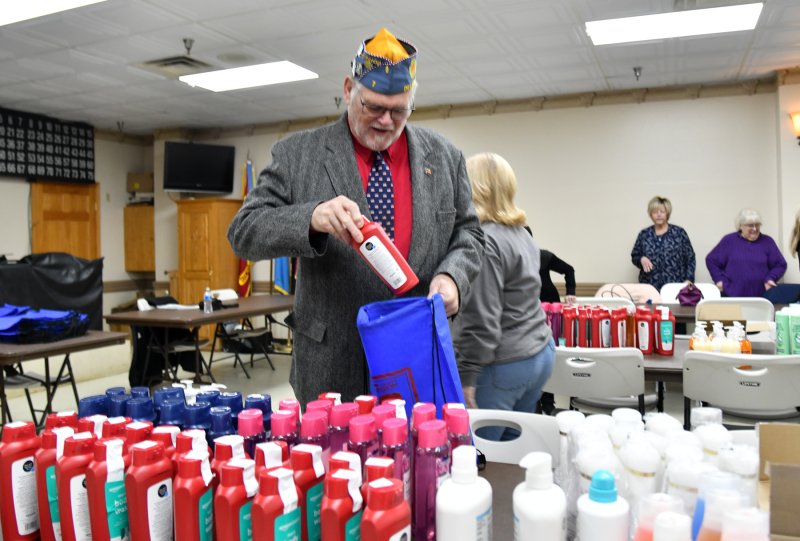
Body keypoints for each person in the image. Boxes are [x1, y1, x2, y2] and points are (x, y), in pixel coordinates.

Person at [226, 28, 484, 404]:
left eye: (399, 111)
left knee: (415, 458)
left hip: (414, 358)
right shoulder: (298, 154)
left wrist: (452, 278)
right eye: (373, 107)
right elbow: (243, 231)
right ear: (349, 90)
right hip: (330, 363)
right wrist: (311, 217)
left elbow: (470, 235)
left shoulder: (445, 158)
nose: (385, 121)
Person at [453, 153, 554, 439]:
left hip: (503, 365)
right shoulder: (521, 233)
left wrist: (467, 377)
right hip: (539, 353)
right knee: (512, 452)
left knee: (483, 457)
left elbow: (481, 320)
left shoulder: (483, 241)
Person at [706, 208, 787, 297]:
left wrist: (771, 278)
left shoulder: (767, 241)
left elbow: (780, 264)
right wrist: (719, 280)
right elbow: (711, 260)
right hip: (732, 295)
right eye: (750, 225)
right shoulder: (729, 241)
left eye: (757, 225)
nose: (755, 228)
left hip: (762, 297)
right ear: (741, 226)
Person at [630, 196, 696, 292]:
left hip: (675, 287)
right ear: (650, 214)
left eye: (662, 212)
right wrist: (641, 259)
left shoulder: (679, 233)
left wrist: (689, 279)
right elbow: (635, 255)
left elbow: (690, 258)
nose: (659, 215)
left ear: (667, 213)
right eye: (655, 212)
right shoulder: (644, 234)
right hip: (650, 288)